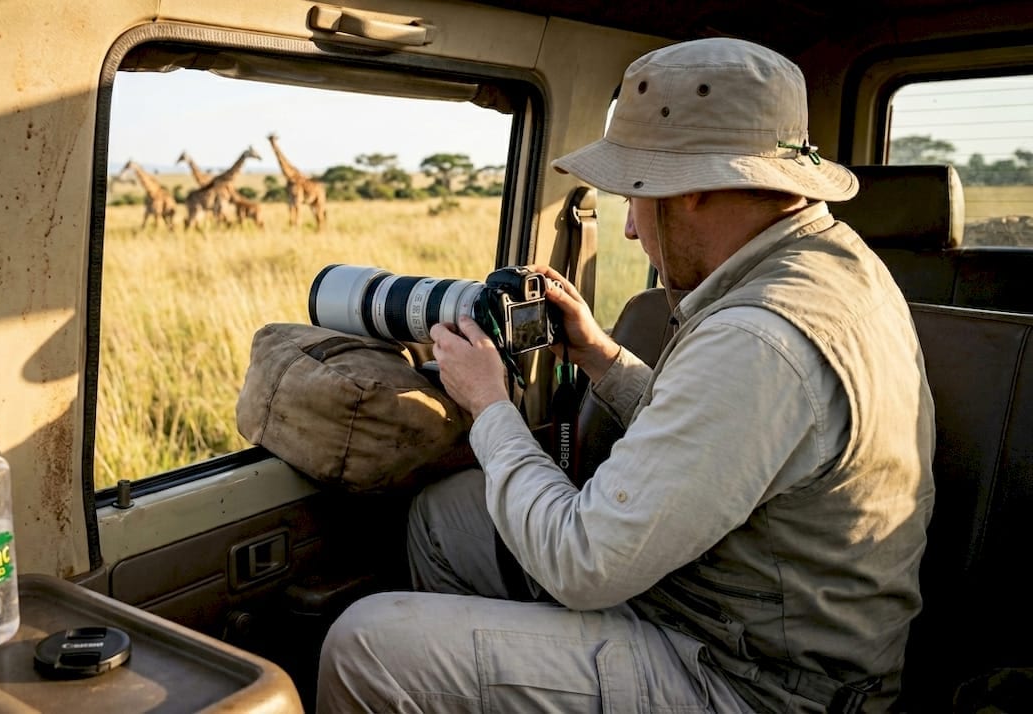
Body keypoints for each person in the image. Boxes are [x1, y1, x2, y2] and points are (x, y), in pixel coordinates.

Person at [316, 37, 935, 713]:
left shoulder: (759, 336)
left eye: (636, 195)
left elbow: (583, 564)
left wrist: (489, 404)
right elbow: (721, 442)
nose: (634, 231)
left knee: (362, 646)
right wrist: (599, 355)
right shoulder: (827, 264)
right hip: (725, 611)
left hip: (759, 682)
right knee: (444, 519)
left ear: (693, 187)